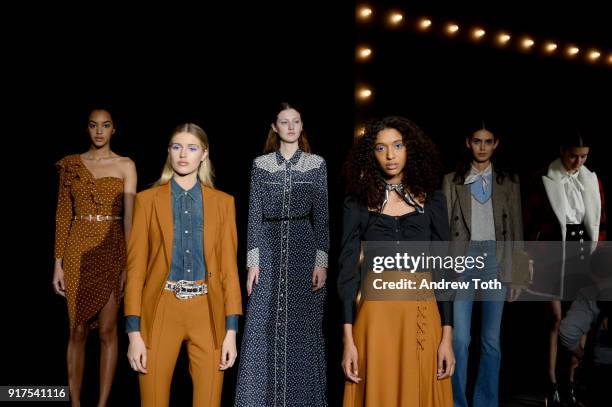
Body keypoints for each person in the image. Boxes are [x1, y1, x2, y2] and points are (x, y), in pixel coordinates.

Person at [338, 116, 454, 406]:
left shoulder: (434, 201)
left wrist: (447, 337)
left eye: (398, 145)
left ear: (410, 149)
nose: (390, 155)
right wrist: (348, 340)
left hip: (422, 315)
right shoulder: (357, 203)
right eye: (381, 148)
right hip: (375, 321)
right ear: (371, 154)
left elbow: (444, 270)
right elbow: (348, 272)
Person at [124, 123, 242, 406]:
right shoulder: (146, 201)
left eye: (192, 148)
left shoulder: (224, 203)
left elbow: (228, 270)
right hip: (162, 307)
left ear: (204, 153)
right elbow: (136, 268)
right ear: (168, 152)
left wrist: (231, 331)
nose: (183, 155)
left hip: (208, 312)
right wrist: (134, 333)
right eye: (177, 147)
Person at [234, 103, 329, 407]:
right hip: (268, 246)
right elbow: (254, 215)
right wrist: (252, 263)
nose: (291, 127)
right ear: (274, 127)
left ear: (302, 126)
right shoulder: (261, 164)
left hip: (304, 245)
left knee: (303, 326)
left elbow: (322, 217)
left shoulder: (316, 164)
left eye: (296, 121)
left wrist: (321, 261)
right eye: (284, 122)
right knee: (261, 324)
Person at [52, 107, 137, 406]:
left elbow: (129, 220)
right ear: (87, 129)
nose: (99, 131)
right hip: (78, 248)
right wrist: (57, 264)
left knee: (107, 331)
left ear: (114, 129)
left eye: (105, 125)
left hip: (112, 245)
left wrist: (129, 263)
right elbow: (63, 216)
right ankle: (75, 403)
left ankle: (102, 404)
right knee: (76, 330)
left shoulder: (126, 165)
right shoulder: (72, 165)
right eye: (93, 125)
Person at [442, 124, 525, 407]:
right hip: (462, 262)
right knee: (459, 340)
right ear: (468, 142)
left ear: (496, 144)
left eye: (488, 141)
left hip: (495, 261)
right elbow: (444, 231)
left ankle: (486, 402)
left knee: (491, 342)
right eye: (477, 141)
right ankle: (456, 402)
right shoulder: (452, 180)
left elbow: (517, 229)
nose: (482, 147)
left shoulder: (509, 181)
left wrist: (519, 276)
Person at [523, 131, 606, 406]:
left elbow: (600, 224)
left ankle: (571, 383)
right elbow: (527, 226)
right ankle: (551, 385)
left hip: (584, 254)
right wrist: (522, 269)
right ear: (561, 150)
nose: (578, 161)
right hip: (551, 254)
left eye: (584, 156)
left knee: (579, 323)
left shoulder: (592, 180)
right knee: (554, 320)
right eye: (573, 155)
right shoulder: (542, 178)